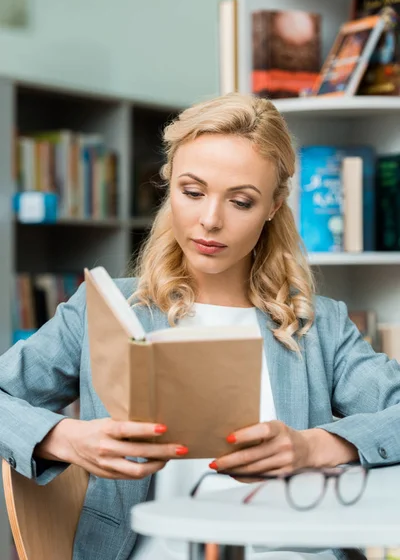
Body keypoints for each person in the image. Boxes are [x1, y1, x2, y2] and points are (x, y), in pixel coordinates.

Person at [1, 93, 399, 560]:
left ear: (273, 206)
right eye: (192, 192)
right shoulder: (104, 308)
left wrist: (315, 447)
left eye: (242, 201)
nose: (210, 220)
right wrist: (66, 439)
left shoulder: (319, 323)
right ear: (169, 188)